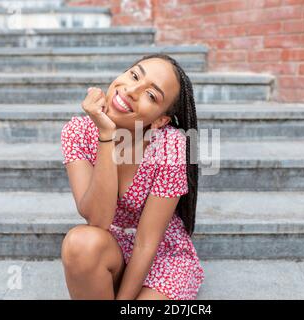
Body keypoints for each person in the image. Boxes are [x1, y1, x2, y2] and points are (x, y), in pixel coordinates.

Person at [60, 54, 204, 300]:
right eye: (134, 75)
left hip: (160, 256)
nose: (132, 90)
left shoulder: (169, 146)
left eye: (151, 95)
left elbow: (147, 243)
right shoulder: (79, 132)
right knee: (80, 243)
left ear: (160, 120)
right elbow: (98, 220)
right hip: (110, 247)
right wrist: (106, 134)